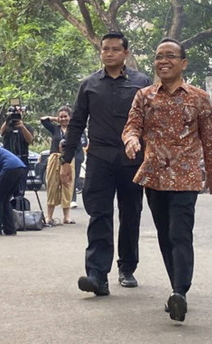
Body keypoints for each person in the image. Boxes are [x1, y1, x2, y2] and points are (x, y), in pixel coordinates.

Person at [123, 37, 212, 322]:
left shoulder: (199, 98)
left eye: (170, 56)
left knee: (180, 233)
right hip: (154, 175)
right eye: (158, 56)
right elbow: (132, 127)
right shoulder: (144, 96)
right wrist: (131, 141)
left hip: (186, 176)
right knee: (166, 235)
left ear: (183, 62)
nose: (163, 61)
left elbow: (208, 138)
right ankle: (176, 290)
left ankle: (180, 292)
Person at [60, 31, 152, 296]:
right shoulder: (89, 85)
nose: (109, 53)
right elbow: (77, 123)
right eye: (105, 49)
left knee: (130, 213)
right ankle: (97, 275)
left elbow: (150, 122)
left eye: (114, 49)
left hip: (132, 159)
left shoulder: (141, 82)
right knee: (99, 214)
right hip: (99, 158)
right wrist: (66, 160)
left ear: (125, 53)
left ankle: (127, 267)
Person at [40, 106, 81, 226]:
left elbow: (78, 146)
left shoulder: (74, 130)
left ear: (70, 117)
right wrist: (55, 119)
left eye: (65, 116)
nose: (63, 119)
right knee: (52, 185)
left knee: (67, 186)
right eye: (61, 116)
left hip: (68, 159)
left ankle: (66, 217)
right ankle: (49, 216)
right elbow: (43, 120)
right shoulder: (55, 129)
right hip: (54, 158)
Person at [0, 105, 34, 197]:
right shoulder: (7, 125)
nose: (17, 113)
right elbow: (1, 132)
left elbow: (30, 140)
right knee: (7, 188)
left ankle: (19, 203)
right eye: (14, 111)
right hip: (8, 160)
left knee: (20, 188)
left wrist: (22, 127)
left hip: (22, 159)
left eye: (19, 111)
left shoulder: (27, 127)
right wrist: (8, 119)